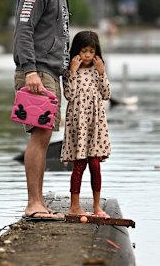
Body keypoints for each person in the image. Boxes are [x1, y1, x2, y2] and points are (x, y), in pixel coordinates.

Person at [13, 0, 82, 221]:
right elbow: (24, 29)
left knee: (43, 137)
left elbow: (57, 35)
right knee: (39, 138)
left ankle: (38, 202)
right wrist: (29, 70)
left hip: (49, 73)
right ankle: (34, 204)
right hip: (37, 73)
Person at [61, 30, 112, 218]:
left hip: (96, 125)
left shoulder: (98, 70)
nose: (87, 56)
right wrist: (72, 72)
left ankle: (97, 207)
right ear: (77, 52)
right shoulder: (70, 71)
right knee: (79, 164)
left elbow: (106, 94)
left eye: (91, 51)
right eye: (84, 51)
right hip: (78, 124)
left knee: (95, 165)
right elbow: (69, 95)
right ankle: (74, 206)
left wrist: (102, 73)